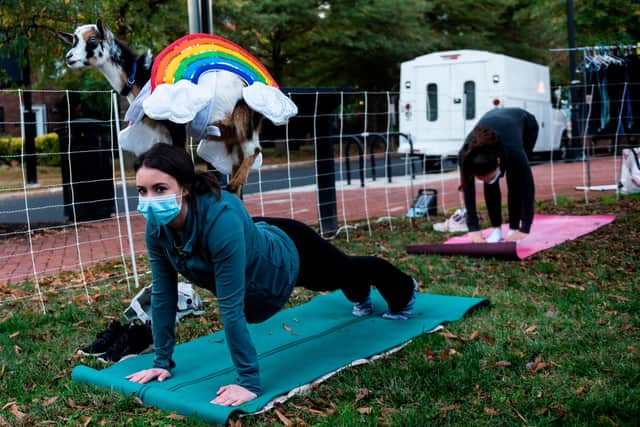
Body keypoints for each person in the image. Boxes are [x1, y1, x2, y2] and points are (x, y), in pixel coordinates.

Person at [126, 144, 417, 406]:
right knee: (339, 277)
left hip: (290, 251)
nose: (149, 199)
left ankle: (405, 291)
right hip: (252, 245)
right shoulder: (157, 228)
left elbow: (230, 305)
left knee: (339, 273)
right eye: (142, 191)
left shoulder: (220, 220)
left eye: (160, 189)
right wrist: (161, 361)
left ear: (185, 187)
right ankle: (361, 293)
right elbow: (163, 293)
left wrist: (248, 383)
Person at [458, 107, 539, 243]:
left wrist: (525, 228)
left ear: (498, 161)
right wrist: (473, 228)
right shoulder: (465, 155)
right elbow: (468, 189)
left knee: (515, 176)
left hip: (525, 125)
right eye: (480, 178)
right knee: (491, 183)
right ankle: (497, 229)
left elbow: (527, 186)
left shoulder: (513, 149)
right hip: (493, 125)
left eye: (488, 176)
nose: (486, 180)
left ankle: (514, 227)